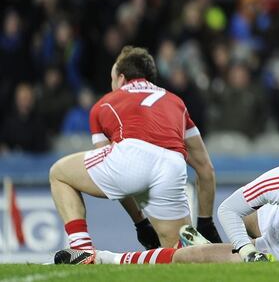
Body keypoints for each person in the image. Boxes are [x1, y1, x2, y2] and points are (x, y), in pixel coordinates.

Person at [54, 135, 279, 265]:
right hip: (272, 247)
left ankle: (227, 242)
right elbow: (229, 208)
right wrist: (248, 250)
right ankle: (100, 258)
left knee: (251, 224)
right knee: (187, 257)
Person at [48, 45, 221, 252]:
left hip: (131, 154)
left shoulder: (104, 104)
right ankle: (237, 255)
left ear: (121, 78)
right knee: (179, 252)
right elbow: (205, 167)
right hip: (173, 164)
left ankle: (82, 250)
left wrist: (140, 222)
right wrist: (205, 221)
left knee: (59, 173)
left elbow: (118, 175)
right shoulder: (176, 102)